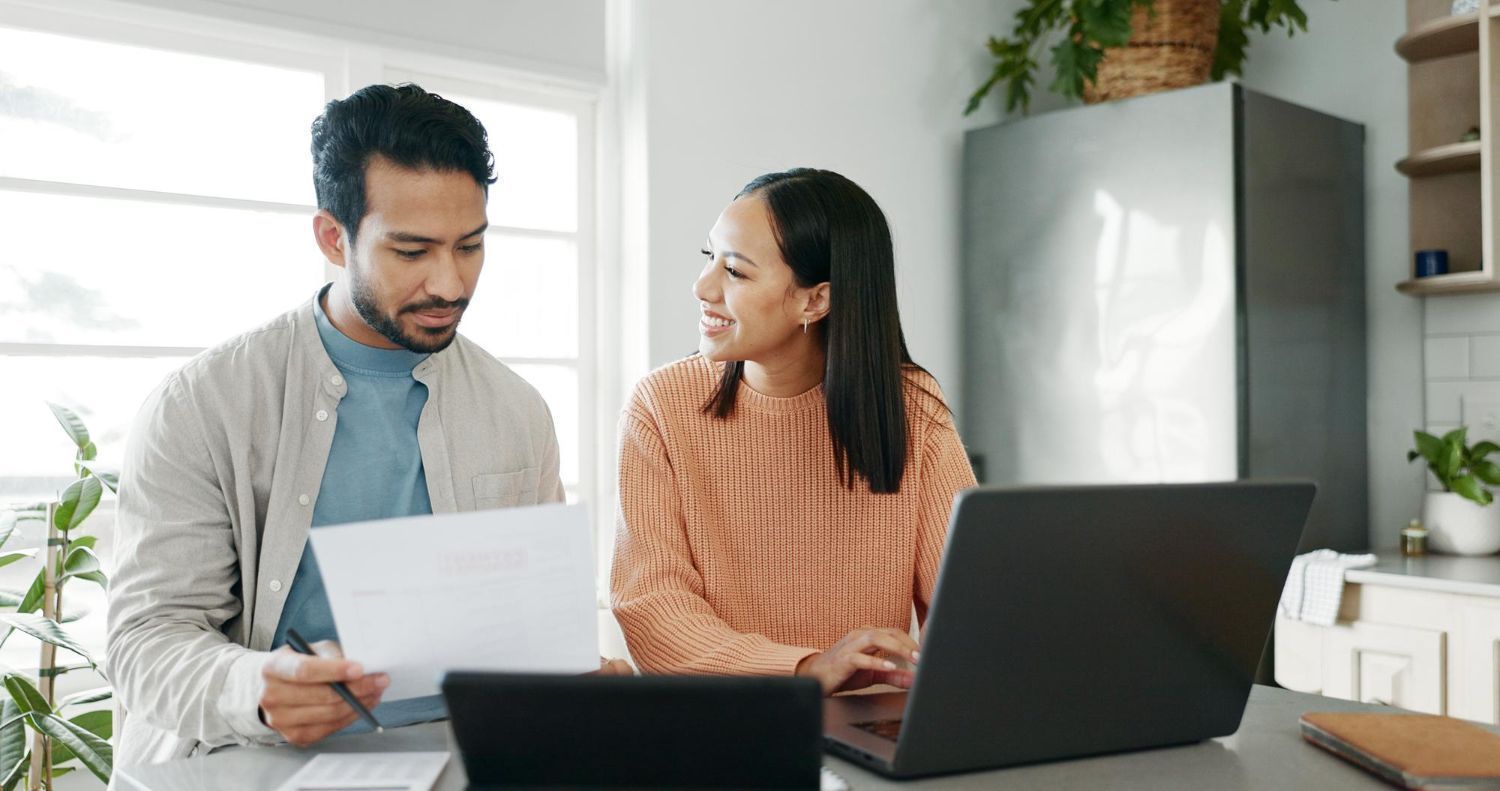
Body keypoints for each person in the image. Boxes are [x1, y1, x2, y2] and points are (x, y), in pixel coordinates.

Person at [108, 83, 625, 766]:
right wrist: (256, 688)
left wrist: (571, 672)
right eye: (411, 251)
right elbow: (144, 638)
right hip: (254, 752)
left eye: (470, 245)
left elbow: (521, 635)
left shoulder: (517, 410)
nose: (450, 283)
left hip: (474, 753)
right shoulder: (202, 404)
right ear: (333, 236)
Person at [611, 168, 977, 696]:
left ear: (814, 301)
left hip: (866, 724)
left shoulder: (912, 409)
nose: (702, 287)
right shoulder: (661, 406)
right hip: (724, 719)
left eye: (734, 271)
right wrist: (804, 669)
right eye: (708, 258)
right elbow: (653, 613)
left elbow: (966, 604)